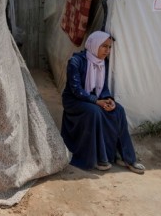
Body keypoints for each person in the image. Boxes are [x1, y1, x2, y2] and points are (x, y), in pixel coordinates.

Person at [61, 31, 145, 174]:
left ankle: (126, 158)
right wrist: (96, 101)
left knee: (118, 110)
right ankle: (100, 158)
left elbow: (104, 89)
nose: (107, 50)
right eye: (104, 46)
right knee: (94, 112)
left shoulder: (103, 63)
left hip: (93, 99)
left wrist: (108, 100)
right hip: (74, 100)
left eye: (109, 47)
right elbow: (76, 90)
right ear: (94, 45)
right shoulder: (76, 61)